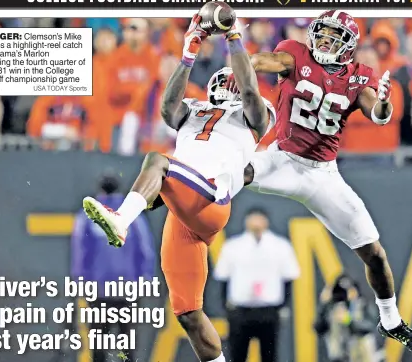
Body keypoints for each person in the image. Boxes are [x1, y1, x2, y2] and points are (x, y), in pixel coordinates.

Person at [81, 14, 275, 362]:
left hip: (210, 198)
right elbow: (168, 109)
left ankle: (122, 220)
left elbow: (249, 90)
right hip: (184, 213)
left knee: (158, 160)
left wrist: (233, 37)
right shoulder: (196, 109)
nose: (230, 84)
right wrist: (188, 52)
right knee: (187, 311)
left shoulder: (254, 117)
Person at [243, 10, 412, 353]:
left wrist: (385, 103)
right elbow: (262, 60)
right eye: (323, 33)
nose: (324, 41)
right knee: (233, 172)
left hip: (323, 174)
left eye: (333, 37)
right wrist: (241, 63)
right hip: (281, 158)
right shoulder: (296, 53)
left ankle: (390, 320)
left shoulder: (360, 76)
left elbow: (377, 113)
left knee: (374, 254)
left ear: (347, 46)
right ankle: (167, 192)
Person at [71, 171, 155, 362]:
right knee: (127, 341)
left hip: (99, 289)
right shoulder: (132, 216)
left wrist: (79, 282)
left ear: (100, 190)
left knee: (99, 340)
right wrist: (145, 279)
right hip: (128, 288)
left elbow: (80, 253)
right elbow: (145, 250)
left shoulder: (87, 216)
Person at [214, 207, 300, 362]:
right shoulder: (233, 246)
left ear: (266, 221)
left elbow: (288, 279)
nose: (256, 223)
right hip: (240, 310)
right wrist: (227, 308)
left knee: (269, 355)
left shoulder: (280, 246)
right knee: (237, 354)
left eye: (259, 218)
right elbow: (223, 278)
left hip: (268, 310)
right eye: (253, 218)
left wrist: (283, 307)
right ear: (246, 221)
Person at [314, 274, 380, 362]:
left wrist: (348, 320)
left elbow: (368, 327)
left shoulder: (363, 305)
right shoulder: (332, 308)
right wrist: (323, 303)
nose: (345, 295)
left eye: (349, 290)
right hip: (339, 357)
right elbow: (319, 328)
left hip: (361, 356)